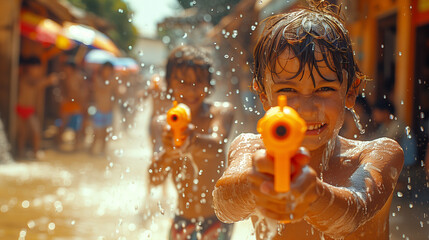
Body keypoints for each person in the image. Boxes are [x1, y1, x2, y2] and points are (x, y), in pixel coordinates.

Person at [212, 2, 404, 239]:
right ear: (263, 95)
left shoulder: (376, 154)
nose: (306, 109)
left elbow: (354, 211)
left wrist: (312, 194)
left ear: (351, 91)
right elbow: (224, 207)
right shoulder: (251, 149)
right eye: (288, 91)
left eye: (324, 88)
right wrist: (253, 183)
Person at [148, 45, 234, 239]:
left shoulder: (221, 113)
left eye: (198, 82)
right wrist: (169, 154)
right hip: (181, 221)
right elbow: (154, 178)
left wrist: (192, 141)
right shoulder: (162, 124)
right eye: (182, 82)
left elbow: (218, 144)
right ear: (169, 83)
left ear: (209, 84)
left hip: (217, 219)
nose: (191, 89)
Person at [16, 56, 58, 159]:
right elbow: (35, 85)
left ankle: (29, 154)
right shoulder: (26, 77)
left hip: (29, 110)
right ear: (29, 68)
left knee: (29, 133)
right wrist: (48, 80)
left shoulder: (34, 78)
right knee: (31, 132)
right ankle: (30, 154)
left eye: (38, 68)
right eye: (35, 68)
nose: (36, 70)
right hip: (21, 109)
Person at [58, 60, 88, 151]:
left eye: (68, 68)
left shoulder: (79, 77)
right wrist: (62, 99)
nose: (66, 70)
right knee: (62, 125)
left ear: (72, 69)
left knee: (77, 128)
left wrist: (83, 104)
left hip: (77, 104)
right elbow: (61, 90)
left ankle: (76, 147)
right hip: (68, 103)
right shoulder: (63, 77)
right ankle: (58, 145)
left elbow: (84, 91)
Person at [90, 61, 117, 155]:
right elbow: (103, 89)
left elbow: (117, 93)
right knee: (96, 135)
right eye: (106, 69)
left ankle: (102, 153)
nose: (107, 72)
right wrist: (112, 81)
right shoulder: (98, 79)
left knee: (106, 136)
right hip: (99, 111)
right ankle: (91, 153)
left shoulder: (112, 80)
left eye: (109, 70)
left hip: (109, 111)